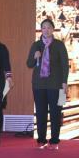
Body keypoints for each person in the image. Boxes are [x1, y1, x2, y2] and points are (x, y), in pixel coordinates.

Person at [26, 18, 69, 150]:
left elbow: (65, 65)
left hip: (56, 84)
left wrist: (64, 82)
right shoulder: (36, 45)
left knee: (56, 113)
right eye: (44, 27)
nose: (46, 30)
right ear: (41, 30)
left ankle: (54, 141)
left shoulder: (59, 45)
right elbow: (29, 64)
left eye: (49, 27)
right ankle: (41, 140)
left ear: (53, 29)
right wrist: (34, 56)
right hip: (39, 84)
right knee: (40, 113)